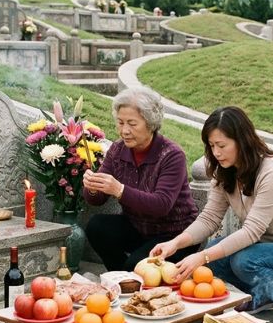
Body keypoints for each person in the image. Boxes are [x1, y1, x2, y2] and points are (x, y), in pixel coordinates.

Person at [151, 106, 273, 323]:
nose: (216, 152)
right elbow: (209, 218)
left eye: (222, 145)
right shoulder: (224, 171)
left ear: (242, 141)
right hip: (266, 247)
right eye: (212, 146)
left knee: (242, 260)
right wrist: (174, 244)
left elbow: (252, 231)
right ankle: (264, 294)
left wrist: (202, 256)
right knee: (216, 256)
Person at [82, 87, 199, 271]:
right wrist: (92, 187)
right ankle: (122, 279)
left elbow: (162, 205)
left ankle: (131, 277)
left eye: (132, 123)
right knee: (97, 226)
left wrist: (119, 190)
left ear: (151, 123)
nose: (124, 130)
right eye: (120, 123)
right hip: (138, 228)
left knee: (135, 265)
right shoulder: (118, 150)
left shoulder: (171, 154)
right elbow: (97, 200)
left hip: (174, 235)